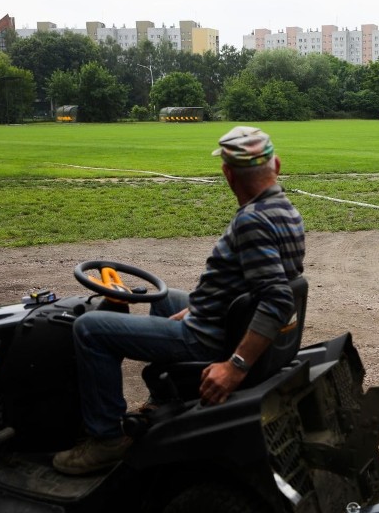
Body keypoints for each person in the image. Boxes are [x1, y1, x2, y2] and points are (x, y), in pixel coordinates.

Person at [53, 126, 305, 476]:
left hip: (207, 339)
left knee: (89, 329)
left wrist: (235, 367)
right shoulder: (285, 210)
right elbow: (248, 285)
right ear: (276, 166)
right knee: (167, 298)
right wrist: (199, 306)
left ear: (227, 173)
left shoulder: (252, 221)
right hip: (223, 320)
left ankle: (106, 439)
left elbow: (276, 299)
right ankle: (166, 403)